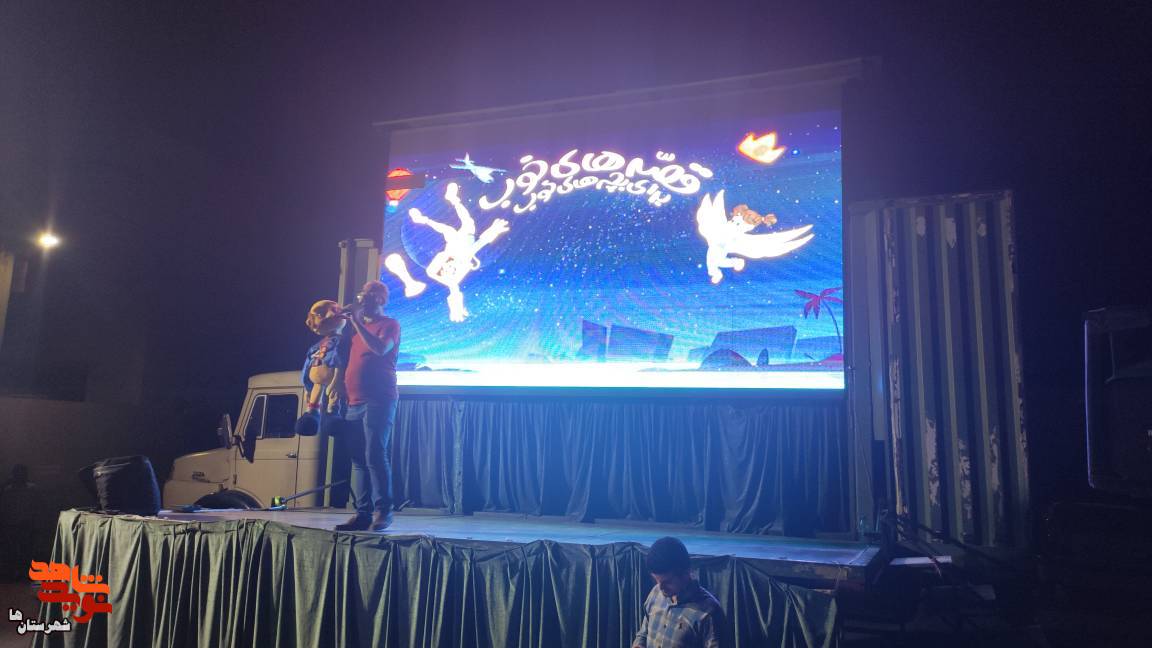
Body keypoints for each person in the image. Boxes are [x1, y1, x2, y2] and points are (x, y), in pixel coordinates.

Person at [332, 281, 401, 532]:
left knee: (374, 454)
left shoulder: (390, 325)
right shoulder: (356, 332)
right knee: (358, 459)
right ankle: (362, 514)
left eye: (368, 296)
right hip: (354, 401)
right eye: (362, 296)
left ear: (380, 299)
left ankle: (384, 512)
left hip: (378, 399)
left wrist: (357, 322)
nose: (363, 300)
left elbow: (381, 348)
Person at [633, 537, 724, 648]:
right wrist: (639, 644)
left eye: (667, 582)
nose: (660, 587)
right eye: (656, 580)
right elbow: (643, 633)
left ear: (685, 573)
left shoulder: (708, 612)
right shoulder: (655, 593)